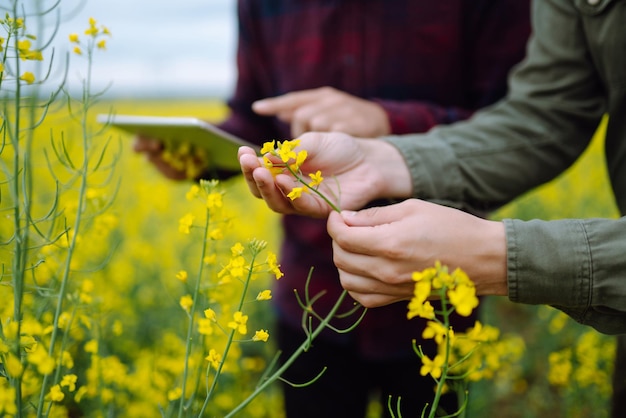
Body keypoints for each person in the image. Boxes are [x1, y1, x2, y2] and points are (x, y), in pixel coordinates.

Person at [135, 1, 531, 416]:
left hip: (433, 297)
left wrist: (385, 121)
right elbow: (256, 122)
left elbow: (520, 128)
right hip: (310, 301)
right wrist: (199, 153)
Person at [237, 0, 626, 416]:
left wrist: (496, 255)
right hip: (308, 294)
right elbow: (547, 115)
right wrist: (381, 159)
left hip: (431, 322)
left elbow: (507, 106)